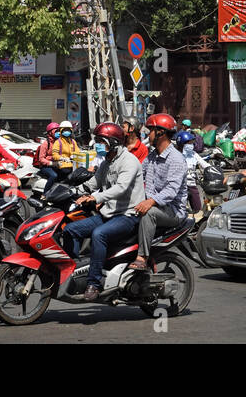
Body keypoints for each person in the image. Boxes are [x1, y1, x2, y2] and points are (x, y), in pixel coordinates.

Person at [63, 123, 144, 299]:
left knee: (98, 234)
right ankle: (73, 273)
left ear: (113, 142)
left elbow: (121, 188)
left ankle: (93, 283)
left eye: (101, 141)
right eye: (97, 140)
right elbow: (93, 183)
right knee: (70, 229)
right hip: (109, 214)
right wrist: (71, 191)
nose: (97, 144)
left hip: (127, 215)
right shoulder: (108, 161)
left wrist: (96, 198)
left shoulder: (129, 162)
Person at [130, 114, 189, 272]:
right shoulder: (152, 156)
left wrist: (150, 202)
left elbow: (171, 191)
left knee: (149, 213)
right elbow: (137, 175)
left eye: (150, 131)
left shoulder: (176, 159)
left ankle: (142, 257)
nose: (147, 135)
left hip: (173, 211)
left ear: (161, 133)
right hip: (155, 204)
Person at [174, 130, 205, 214]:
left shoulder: (194, 154)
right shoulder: (175, 155)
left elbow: (204, 164)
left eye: (192, 143)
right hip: (178, 187)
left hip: (192, 185)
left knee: (198, 210)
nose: (191, 145)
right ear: (182, 144)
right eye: (189, 143)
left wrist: (212, 169)